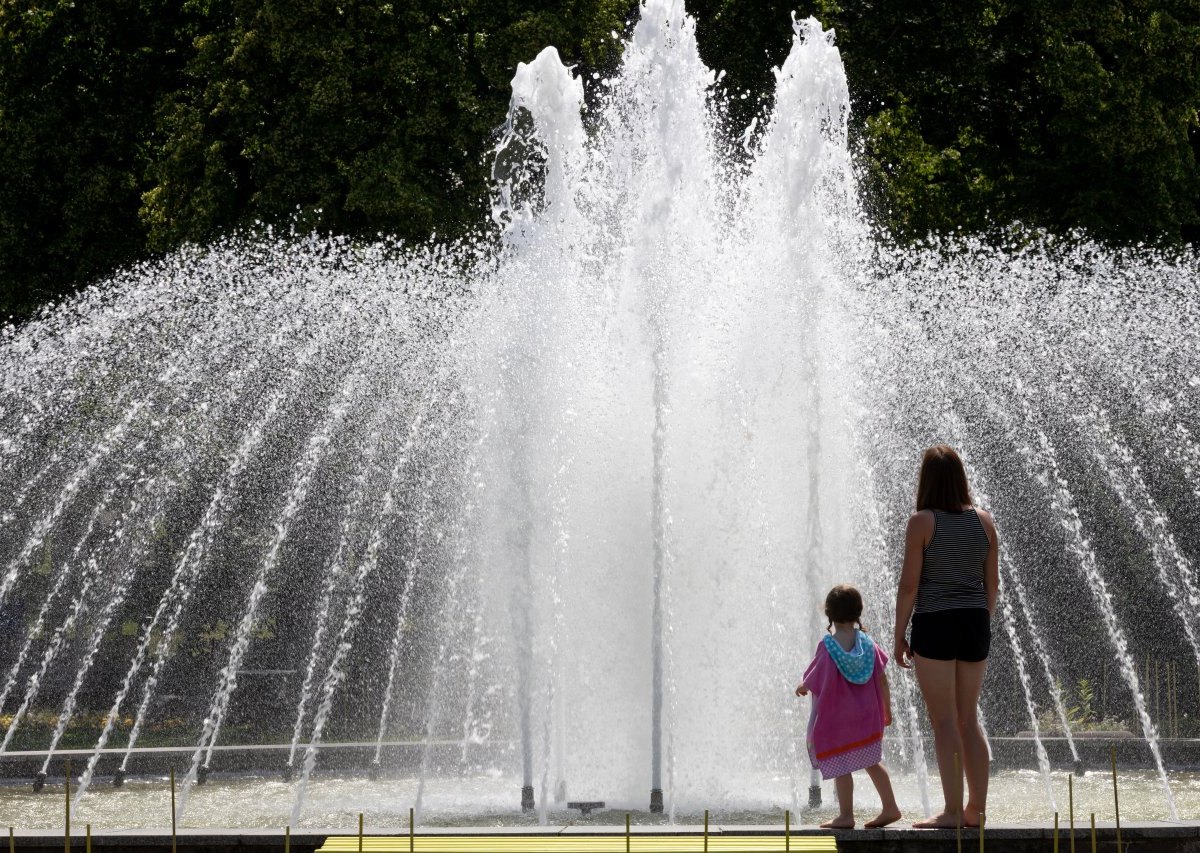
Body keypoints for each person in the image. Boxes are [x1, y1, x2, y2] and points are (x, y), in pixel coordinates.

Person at [892, 445, 999, 829]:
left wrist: (899, 634)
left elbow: (909, 586)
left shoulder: (922, 522)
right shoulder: (984, 521)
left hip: (936, 622)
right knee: (969, 718)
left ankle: (952, 812)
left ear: (927, 480)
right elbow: (993, 586)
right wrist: (979, 620)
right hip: (974, 622)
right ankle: (977, 810)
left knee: (945, 722)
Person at [796, 584, 901, 829]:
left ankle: (846, 816)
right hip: (867, 716)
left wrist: (802, 686)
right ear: (858, 612)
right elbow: (882, 678)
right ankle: (891, 806)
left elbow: (815, 678)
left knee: (842, 764)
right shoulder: (868, 644)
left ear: (830, 615)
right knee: (872, 761)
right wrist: (887, 709)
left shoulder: (829, 647)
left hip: (839, 719)